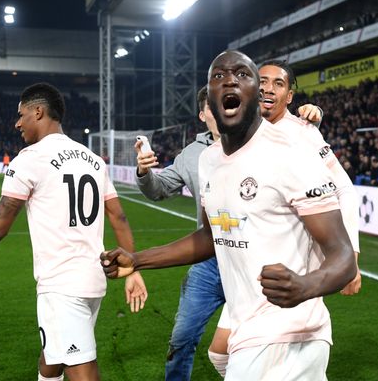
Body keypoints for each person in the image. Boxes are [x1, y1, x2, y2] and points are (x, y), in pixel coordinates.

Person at [102, 50, 356, 379]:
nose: (230, 80)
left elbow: (343, 256)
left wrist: (306, 286)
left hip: (289, 333)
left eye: (242, 75)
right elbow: (212, 237)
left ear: (255, 95)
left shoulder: (292, 153)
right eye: (218, 76)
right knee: (204, 348)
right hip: (248, 327)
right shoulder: (208, 160)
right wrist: (138, 260)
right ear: (209, 99)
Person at [0, 82, 147, 381]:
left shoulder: (29, 159)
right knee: (52, 356)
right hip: (93, 279)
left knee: (81, 368)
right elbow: (119, 216)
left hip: (61, 285)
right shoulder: (91, 159)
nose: (17, 123)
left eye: (21, 114)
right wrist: (132, 269)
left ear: (38, 111)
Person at [134, 87, 324, 380]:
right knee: (183, 338)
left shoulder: (263, 139)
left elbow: (295, 138)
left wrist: (313, 116)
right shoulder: (194, 156)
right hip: (211, 262)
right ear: (203, 114)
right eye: (213, 106)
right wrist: (145, 174)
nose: (223, 108)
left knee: (253, 344)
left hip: (254, 262)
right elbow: (159, 190)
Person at [206, 58, 363, 376]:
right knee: (219, 352)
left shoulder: (303, 133)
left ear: (290, 96)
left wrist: (352, 256)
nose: (267, 87)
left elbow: (344, 190)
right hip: (246, 265)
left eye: (278, 83)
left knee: (239, 349)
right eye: (261, 80)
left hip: (288, 261)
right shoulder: (243, 131)